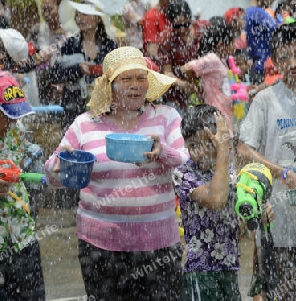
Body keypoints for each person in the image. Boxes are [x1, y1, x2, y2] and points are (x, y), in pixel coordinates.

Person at [44, 46, 188, 300]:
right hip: (100, 247)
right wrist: (60, 165)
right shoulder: (85, 124)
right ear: (110, 86)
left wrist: (161, 151)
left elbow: (184, 161)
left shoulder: (166, 117)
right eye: (126, 79)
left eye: (141, 78)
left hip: (158, 246)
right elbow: (53, 175)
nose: (135, 85)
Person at [237, 21, 296, 301]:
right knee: (279, 292)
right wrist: (284, 174)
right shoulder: (266, 100)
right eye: (284, 57)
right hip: (276, 220)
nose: (292, 64)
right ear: (274, 60)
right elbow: (243, 149)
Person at [173, 104, 248, 300]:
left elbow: (240, 214)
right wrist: (223, 149)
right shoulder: (184, 174)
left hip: (229, 268)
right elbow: (216, 199)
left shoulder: (231, 172)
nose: (198, 152)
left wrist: (259, 210)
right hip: (200, 271)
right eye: (192, 146)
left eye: (207, 143)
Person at [0, 71, 45, 300]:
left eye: (14, 116)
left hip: (21, 235)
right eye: (4, 116)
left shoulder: (16, 130)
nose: (10, 123)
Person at [50, 0, 117, 133]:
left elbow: (120, 75)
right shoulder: (69, 45)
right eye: (78, 15)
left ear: (98, 19)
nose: (80, 19)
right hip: (73, 107)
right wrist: (77, 70)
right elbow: (54, 74)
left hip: (104, 107)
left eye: (85, 15)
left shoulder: (110, 46)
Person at [180, 18, 235, 135]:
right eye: (232, 42)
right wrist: (196, 86)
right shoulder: (212, 58)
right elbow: (186, 68)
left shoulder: (222, 60)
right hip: (214, 115)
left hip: (223, 114)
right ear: (221, 44)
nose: (234, 46)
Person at [28, 0, 78, 105]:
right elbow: (25, 56)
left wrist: (66, 85)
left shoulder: (74, 33)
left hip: (69, 94)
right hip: (41, 92)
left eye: (49, 10)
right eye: (43, 10)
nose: (46, 14)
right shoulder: (38, 31)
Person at [158, 0, 203, 113]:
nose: (182, 29)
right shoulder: (167, 39)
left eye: (185, 24)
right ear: (171, 23)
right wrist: (182, 84)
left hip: (203, 91)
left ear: (190, 19)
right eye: (177, 26)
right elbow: (166, 72)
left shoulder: (201, 32)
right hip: (176, 96)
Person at [244, 0, 279, 85]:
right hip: (265, 68)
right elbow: (278, 31)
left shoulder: (247, 13)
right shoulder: (258, 12)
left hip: (256, 65)